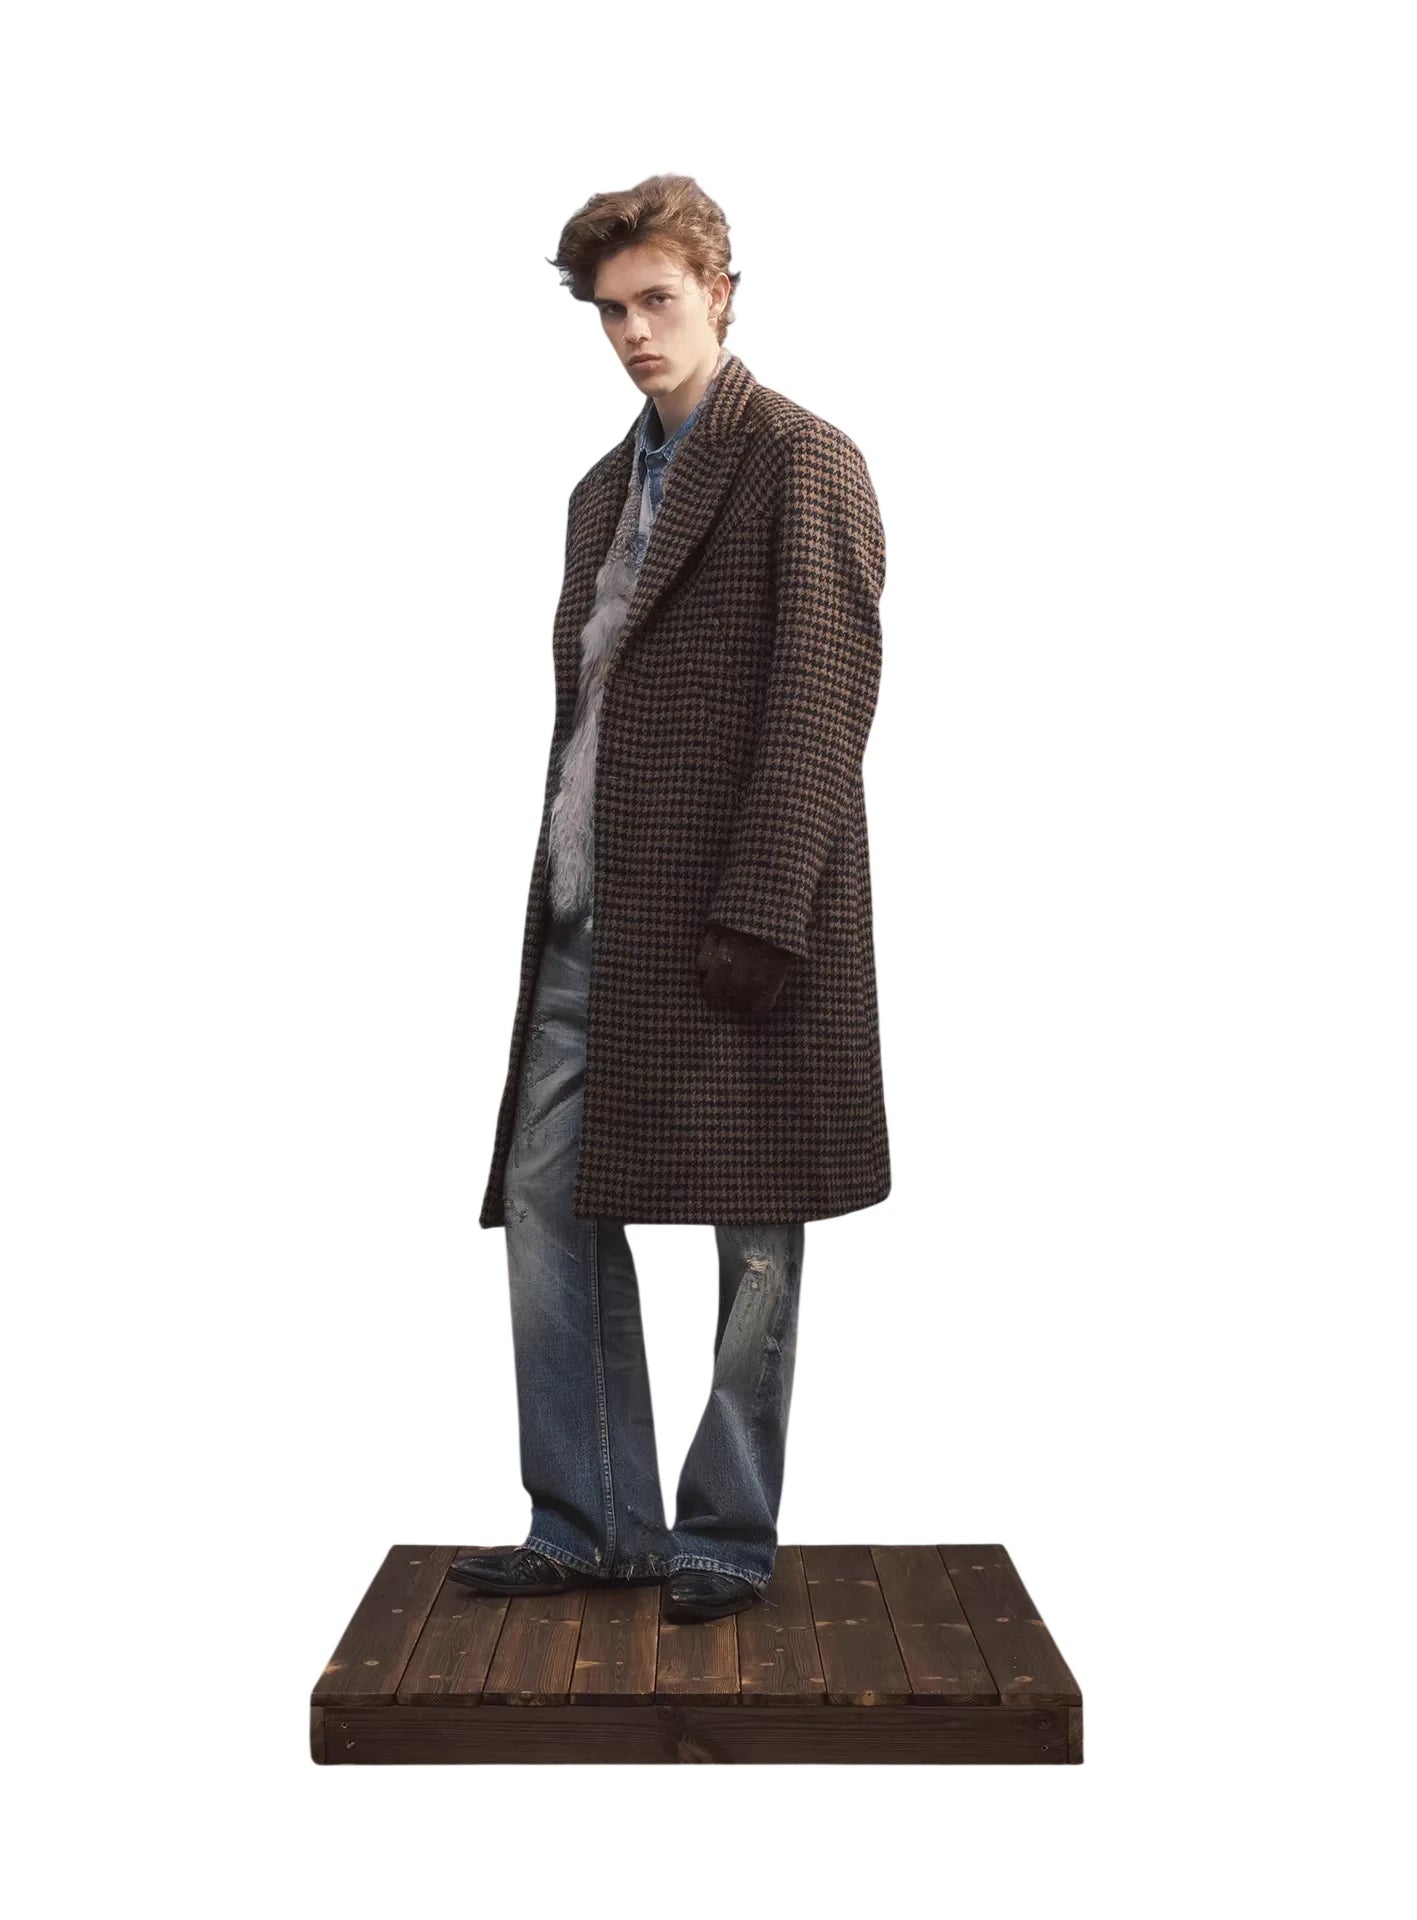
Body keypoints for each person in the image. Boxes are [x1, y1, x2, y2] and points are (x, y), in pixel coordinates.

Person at [456, 175, 889, 1623]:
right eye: (611, 311)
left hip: (743, 915)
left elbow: (822, 694)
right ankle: (592, 1523)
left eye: (659, 300)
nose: (635, 332)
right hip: (596, 914)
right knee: (545, 1199)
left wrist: (764, 909)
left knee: (755, 1227)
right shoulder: (601, 491)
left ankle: (723, 1533)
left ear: (722, 294)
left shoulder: (802, 460)